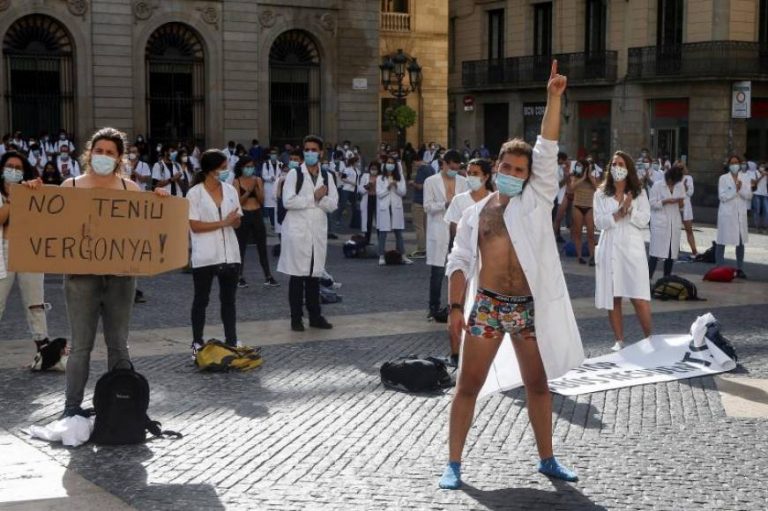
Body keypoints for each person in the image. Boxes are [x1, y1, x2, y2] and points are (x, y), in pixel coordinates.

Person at [440, 61, 583, 490]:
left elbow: (547, 144)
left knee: (538, 385)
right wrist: (452, 308)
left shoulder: (536, 201)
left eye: (522, 171)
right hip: (486, 306)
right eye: (509, 168)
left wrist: (554, 97)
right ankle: (454, 463)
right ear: (496, 166)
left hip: (528, 308)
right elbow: (459, 260)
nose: (515, 175)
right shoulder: (475, 214)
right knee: (468, 384)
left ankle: (548, 458)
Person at [25, 128, 168, 417]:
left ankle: (125, 405)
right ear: (90, 153)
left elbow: (142, 231)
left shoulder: (131, 190)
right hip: (81, 278)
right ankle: (71, 407)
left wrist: (161, 204)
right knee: (81, 346)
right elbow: (52, 226)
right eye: (99, 151)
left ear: (119, 159)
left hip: (121, 278)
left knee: (118, 343)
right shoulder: (70, 186)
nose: (103, 156)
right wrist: (32, 196)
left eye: (110, 152)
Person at [277, 135, 338, 332]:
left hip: (316, 232)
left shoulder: (328, 176)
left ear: (321, 152)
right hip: (297, 232)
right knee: (297, 277)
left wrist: (320, 200)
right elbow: (288, 201)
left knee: (314, 276)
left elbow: (333, 204)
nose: (310, 153)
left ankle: (315, 316)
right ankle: (296, 318)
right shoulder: (295, 175)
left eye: (313, 150)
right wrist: (314, 197)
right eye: (307, 149)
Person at [593, 151, 653, 352]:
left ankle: (650, 338)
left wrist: (630, 209)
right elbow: (599, 221)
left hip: (632, 246)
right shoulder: (601, 193)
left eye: (621, 164)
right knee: (613, 295)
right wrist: (619, 213)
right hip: (610, 245)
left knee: (639, 295)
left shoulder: (639, 192)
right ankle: (619, 340)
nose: (617, 167)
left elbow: (645, 219)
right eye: (614, 164)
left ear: (628, 168)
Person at [188, 150, 243, 354]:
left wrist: (234, 221)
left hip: (230, 253)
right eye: (223, 167)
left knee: (229, 300)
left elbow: (237, 222)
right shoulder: (194, 193)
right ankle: (197, 341)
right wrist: (223, 222)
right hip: (205, 255)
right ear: (212, 170)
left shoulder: (230, 190)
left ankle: (232, 339)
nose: (226, 170)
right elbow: (194, 225)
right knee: (201, 299)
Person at [0, 151, 52, 357]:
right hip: (3, 249)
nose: (14, 170)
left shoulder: (31, 191)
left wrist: (35, 193)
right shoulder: (6, 195)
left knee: (35, 301)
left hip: (29, 249)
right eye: (10, 166)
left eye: (18, 168)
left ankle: (43, 346)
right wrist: (14, 198)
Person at [442, 158, 493, 366]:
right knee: (456, 306)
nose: (470, 177)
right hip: (462, 259)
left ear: (486, 176)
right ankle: (455, 354)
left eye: (475, 173)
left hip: (486, 265)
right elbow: (454, 230)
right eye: (469, 172)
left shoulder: (494, 201)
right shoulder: (460, 201)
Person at [424, 149, 468, 322]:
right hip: (439, 227)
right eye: (452, 166)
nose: (454, 169)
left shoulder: (463, 182)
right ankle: (433, 306)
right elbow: (427, 206)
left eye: (457, 167)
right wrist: (445, 204)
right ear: (444, 163)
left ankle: (457, 305)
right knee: (437, 271)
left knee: (459, 269)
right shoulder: (431, 181)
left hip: (457, 229)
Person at [232, 156, 278, 289]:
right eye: (247, 166)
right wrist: (248, 190)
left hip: (257, 213)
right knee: (241, 246)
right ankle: (239, 276)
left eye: (252, 166)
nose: (250, 169)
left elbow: (262, 200)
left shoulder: (257, 180)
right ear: (241, 167)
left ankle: (268, 276)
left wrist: (256, 188)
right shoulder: (236, 181)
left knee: (262, 246)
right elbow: (238, 202)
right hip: (244, 214)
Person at [716, 156, 752, 278]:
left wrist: (740, 189)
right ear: (729, 165)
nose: (735, 165)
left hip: (740, 213)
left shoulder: (745, 178)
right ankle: (719, 267)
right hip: (727, 214)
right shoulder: (723, 178)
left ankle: (740, 268)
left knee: (740, 241)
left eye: (737, 163)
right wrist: (735, 190)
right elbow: (722, 196)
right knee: (722, 240)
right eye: (732, 163)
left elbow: (749, 195)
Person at [648, 164, 685, 279]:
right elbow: (652, 203)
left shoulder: (680, 186)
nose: (673, 184)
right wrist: (665, 201)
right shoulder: (657, 186)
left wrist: (680, 203)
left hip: (674, 222)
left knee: (670, 253)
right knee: (655, 253)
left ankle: (666, 279)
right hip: (660, 223)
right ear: (668, 178)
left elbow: (682, 207)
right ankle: (648, 279)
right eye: (672, 181)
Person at [376, 157, 412, 265]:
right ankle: (381, 256)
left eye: (392, 163)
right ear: (385, 164)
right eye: (388, 162)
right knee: (383, 233)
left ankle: (403, 255)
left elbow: (403, 193)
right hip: (385, 207)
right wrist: (388, 188)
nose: (390, 164)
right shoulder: (380, 179)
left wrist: (396, 186)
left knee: (398, 233)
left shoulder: (399, 177)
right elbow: (379, 194)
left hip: (396, 207)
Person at [569, 159, 597, 265]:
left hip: (589, 206)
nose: (578, 167)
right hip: (577, 206)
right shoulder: (574, 176)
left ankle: (592, 256)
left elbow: (597, 188)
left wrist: (589, 176)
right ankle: (579, 256)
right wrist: (583, 178)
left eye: (581, 166)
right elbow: (572, 187)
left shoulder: (592, 177)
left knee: (591, 233)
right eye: (577, 166)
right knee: (578, 232)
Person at [408, 158, 434, 259]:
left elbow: (420, 186)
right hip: (428, 201)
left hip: (419, 201)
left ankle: (422, 249)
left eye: (414, 164)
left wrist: (412, 183)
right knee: (426, 226)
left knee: (419, 227)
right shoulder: (431, 169)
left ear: (417, 160)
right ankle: (428, 248)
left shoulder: (422, 170)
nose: (414, 166)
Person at [358, 161, 380, 246]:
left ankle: (380, 240)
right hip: (368, 199)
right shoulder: (365, 176)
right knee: (368, 220)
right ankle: (366, 240)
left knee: (379, 221)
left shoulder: (381, 178)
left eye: (375, 169)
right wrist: (367, 187)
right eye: (372, 169)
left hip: (377, 200)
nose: (373, 170)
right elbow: (360, 189)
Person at [552, 152, 571, 242]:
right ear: (560, 160)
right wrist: (566, 178)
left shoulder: (562, 167)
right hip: (556, 196)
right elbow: (558, 185)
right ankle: (553, 236)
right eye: (565, 160)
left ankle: (557, 235)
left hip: (562, 195)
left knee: (558, 217)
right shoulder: (554, 169)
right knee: (556, 217)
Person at [680, 162, 698, 257]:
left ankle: (694, 251)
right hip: (675, 206)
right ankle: (673, 250)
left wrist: (686, 187)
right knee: (673, 230)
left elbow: (691, 193)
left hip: (686, 206)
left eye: (682, 167)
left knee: (689, 230)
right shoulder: (674, 178)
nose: (681, 169)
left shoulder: (689, 178)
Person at [261, 148, 281, 230]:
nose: (273, 155)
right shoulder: (266, 164)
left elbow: (282, 174)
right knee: (270, 207)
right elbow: (264, 175)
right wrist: (270, 178)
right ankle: (272, 224)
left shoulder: (280, 164)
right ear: (269, 155)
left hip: (277, 186)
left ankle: (277, 223)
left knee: (277, 205)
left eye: (275, 153)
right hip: (269, 187)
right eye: (272, 153)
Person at [753, 162, 768, 233]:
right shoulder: (755, 173)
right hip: (757, 194)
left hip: (765, 195)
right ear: (758, 167)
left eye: (764, 166)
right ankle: (757, 228)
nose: (762, 167)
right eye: (761, 166)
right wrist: (761, 176)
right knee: (757, 211)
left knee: (766, 211)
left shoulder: (766, 173)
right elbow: (753, 183)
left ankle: (765, 228)